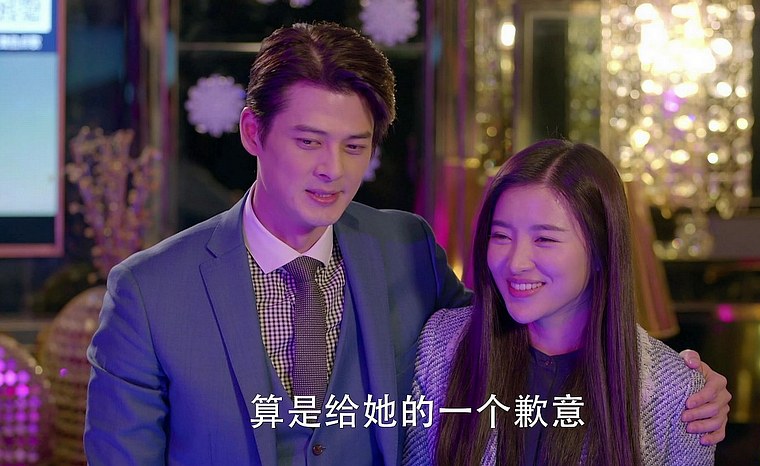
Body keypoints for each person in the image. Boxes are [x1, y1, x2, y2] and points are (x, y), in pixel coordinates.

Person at [85, 22, 727, 465]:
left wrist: (676, 383)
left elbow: (515, 324)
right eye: (308, 141)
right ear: (253, 132)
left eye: (355, 146)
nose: (332, 170)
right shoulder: (150, 292)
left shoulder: (405, 247)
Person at [404, 139, 718, 466]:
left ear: (600, 249)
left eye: (545, 239)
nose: (516, 262)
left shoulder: (677, 391)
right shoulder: (442, 344)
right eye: (501, 236)